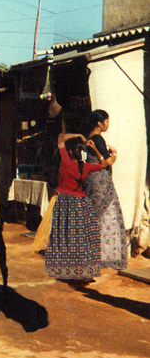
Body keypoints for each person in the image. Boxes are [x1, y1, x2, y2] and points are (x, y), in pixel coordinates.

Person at [45, 130, 107, 288]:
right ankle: (83, 272)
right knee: (83, 238)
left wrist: (79, 135)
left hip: (65, 203)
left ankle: (69, 271)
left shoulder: (66, 160)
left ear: (72, 151)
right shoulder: (85, 167)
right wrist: (97, 150)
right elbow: (105, 164)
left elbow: (60, 137)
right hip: (81, 204)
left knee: (65, 237)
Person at [84, 109, 128, 270]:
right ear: (99, 123)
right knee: (106, 216)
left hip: (93, 182)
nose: (108, 125)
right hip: (101, 183)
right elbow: (107, 162)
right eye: (107, 122)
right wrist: (115, 154)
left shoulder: (90, 137)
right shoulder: (98, 139)